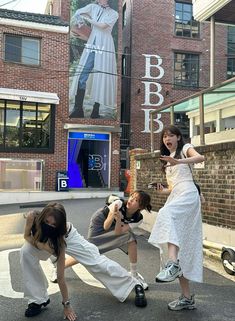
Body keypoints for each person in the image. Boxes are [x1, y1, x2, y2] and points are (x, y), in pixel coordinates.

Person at [20, 203, 147, 319]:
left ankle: (132, 283)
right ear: (42, 217)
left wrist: (66, 305)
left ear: (59, 225)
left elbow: (61, 277)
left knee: (97, 263)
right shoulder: (33, 217)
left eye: (54, 224)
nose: (49, 225)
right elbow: (26, 236)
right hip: (40, 241)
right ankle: (37, 300)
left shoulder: (60, 238)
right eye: (47, 221)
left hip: (68, 238)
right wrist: (42, 246)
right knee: (26, 251)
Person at [148, 125, 205, 311]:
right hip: (177, 195)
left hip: (189, 195)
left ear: (179, 137)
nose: (167, 138)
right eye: (164, 136)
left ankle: (172, 264)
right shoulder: (166, 160)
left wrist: (178, 161)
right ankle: (187, 297)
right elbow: (172, 188)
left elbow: (200, 157)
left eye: (171, 135)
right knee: (181, 247)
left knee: (165, 214)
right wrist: (162, 189)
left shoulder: (184, 149)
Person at [55, 191, 152, 290]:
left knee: (131, 238)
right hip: (100, 221)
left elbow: (118, 232)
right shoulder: (118, 204)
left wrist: (118, 219)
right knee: (89, 251)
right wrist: (115, 214)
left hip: (116, 227)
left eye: (136, 200)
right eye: (132, 196)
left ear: (141, 207)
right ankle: (58, 270)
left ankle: (134, 274)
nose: (131, 199)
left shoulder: (138, 219)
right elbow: (106, 226)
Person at [69, 0, 118, 118]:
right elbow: (78, 12)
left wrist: (88, 19)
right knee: (83, 72)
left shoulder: (114, 13)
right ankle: (78, 108)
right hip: (93, 42)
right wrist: (80, 18)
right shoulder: (93, 7)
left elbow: (103, 26)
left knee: (101, 76)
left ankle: (95, 111)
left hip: (105, 43)